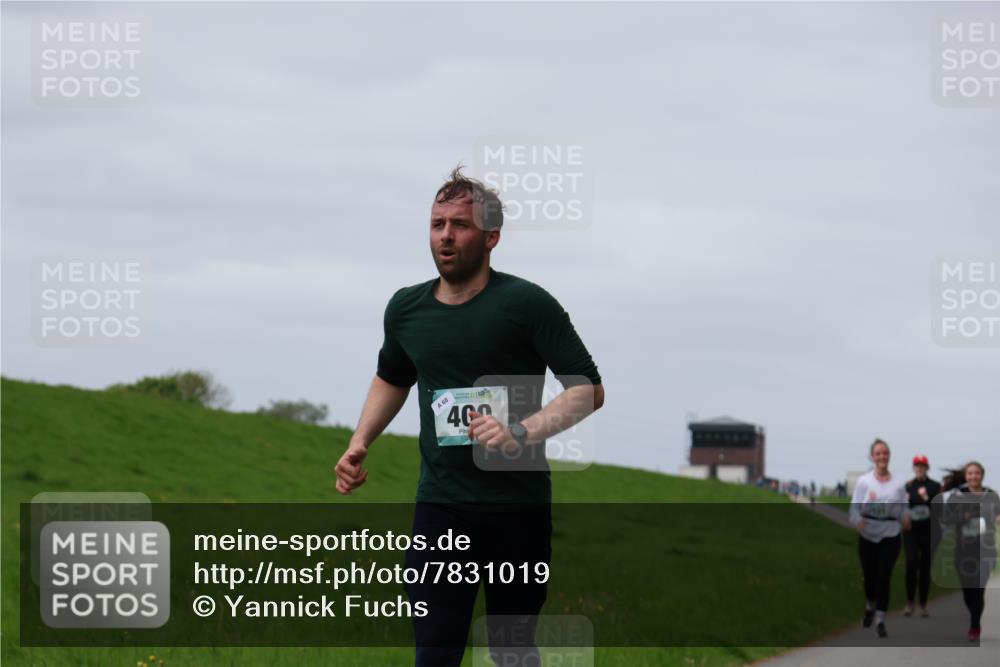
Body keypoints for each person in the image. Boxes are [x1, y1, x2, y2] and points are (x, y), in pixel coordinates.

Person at [334, 166, 605, 667]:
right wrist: (360, 441)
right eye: (437, 224)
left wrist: (520, 432)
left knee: (511, 651)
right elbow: (393, 376)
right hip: (442, 506)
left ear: (491, 236)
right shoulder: (406, 308)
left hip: (517, 509)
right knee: (435, 651)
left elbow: (587, 389)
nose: (445, 236)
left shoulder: (526, 304)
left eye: (459, 225)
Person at [848, 439, 911, 638]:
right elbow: (854, 509)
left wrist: (906, 517)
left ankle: (880, 621)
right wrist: (857, 520)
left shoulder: (899, 483)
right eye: (878, 453)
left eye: (885, 453)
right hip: (868, 533)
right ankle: (869, 605)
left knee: (884, 578)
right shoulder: (864, 482)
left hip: (890, 533)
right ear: (872, 457)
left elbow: (904, 507)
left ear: (889, 456)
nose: (882, 457)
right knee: (870, 578)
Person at [943, 461, 1000, 642]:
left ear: (982, 475)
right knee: (968, 591)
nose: (974, 476)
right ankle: (974, 617)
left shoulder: (991, 495)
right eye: (970, 474)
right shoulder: (958, 495)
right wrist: (963, 516)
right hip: (963, 548)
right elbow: (947, 518)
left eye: (977, 473)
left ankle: (974, 626)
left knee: (978, 589)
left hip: (985, 548)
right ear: (966, 476)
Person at [903, 455, 941, 618]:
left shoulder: (935, 486)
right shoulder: (908, 486)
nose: (919, 468)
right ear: (913, 468)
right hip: (911, 531)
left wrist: (927, 499)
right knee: (911, 564)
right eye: (917, 466)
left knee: (925, 569)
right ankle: (910, 601)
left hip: (929, 531)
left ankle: (923, 604)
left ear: (927, 468)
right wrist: (904, 517)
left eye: (922, 466)